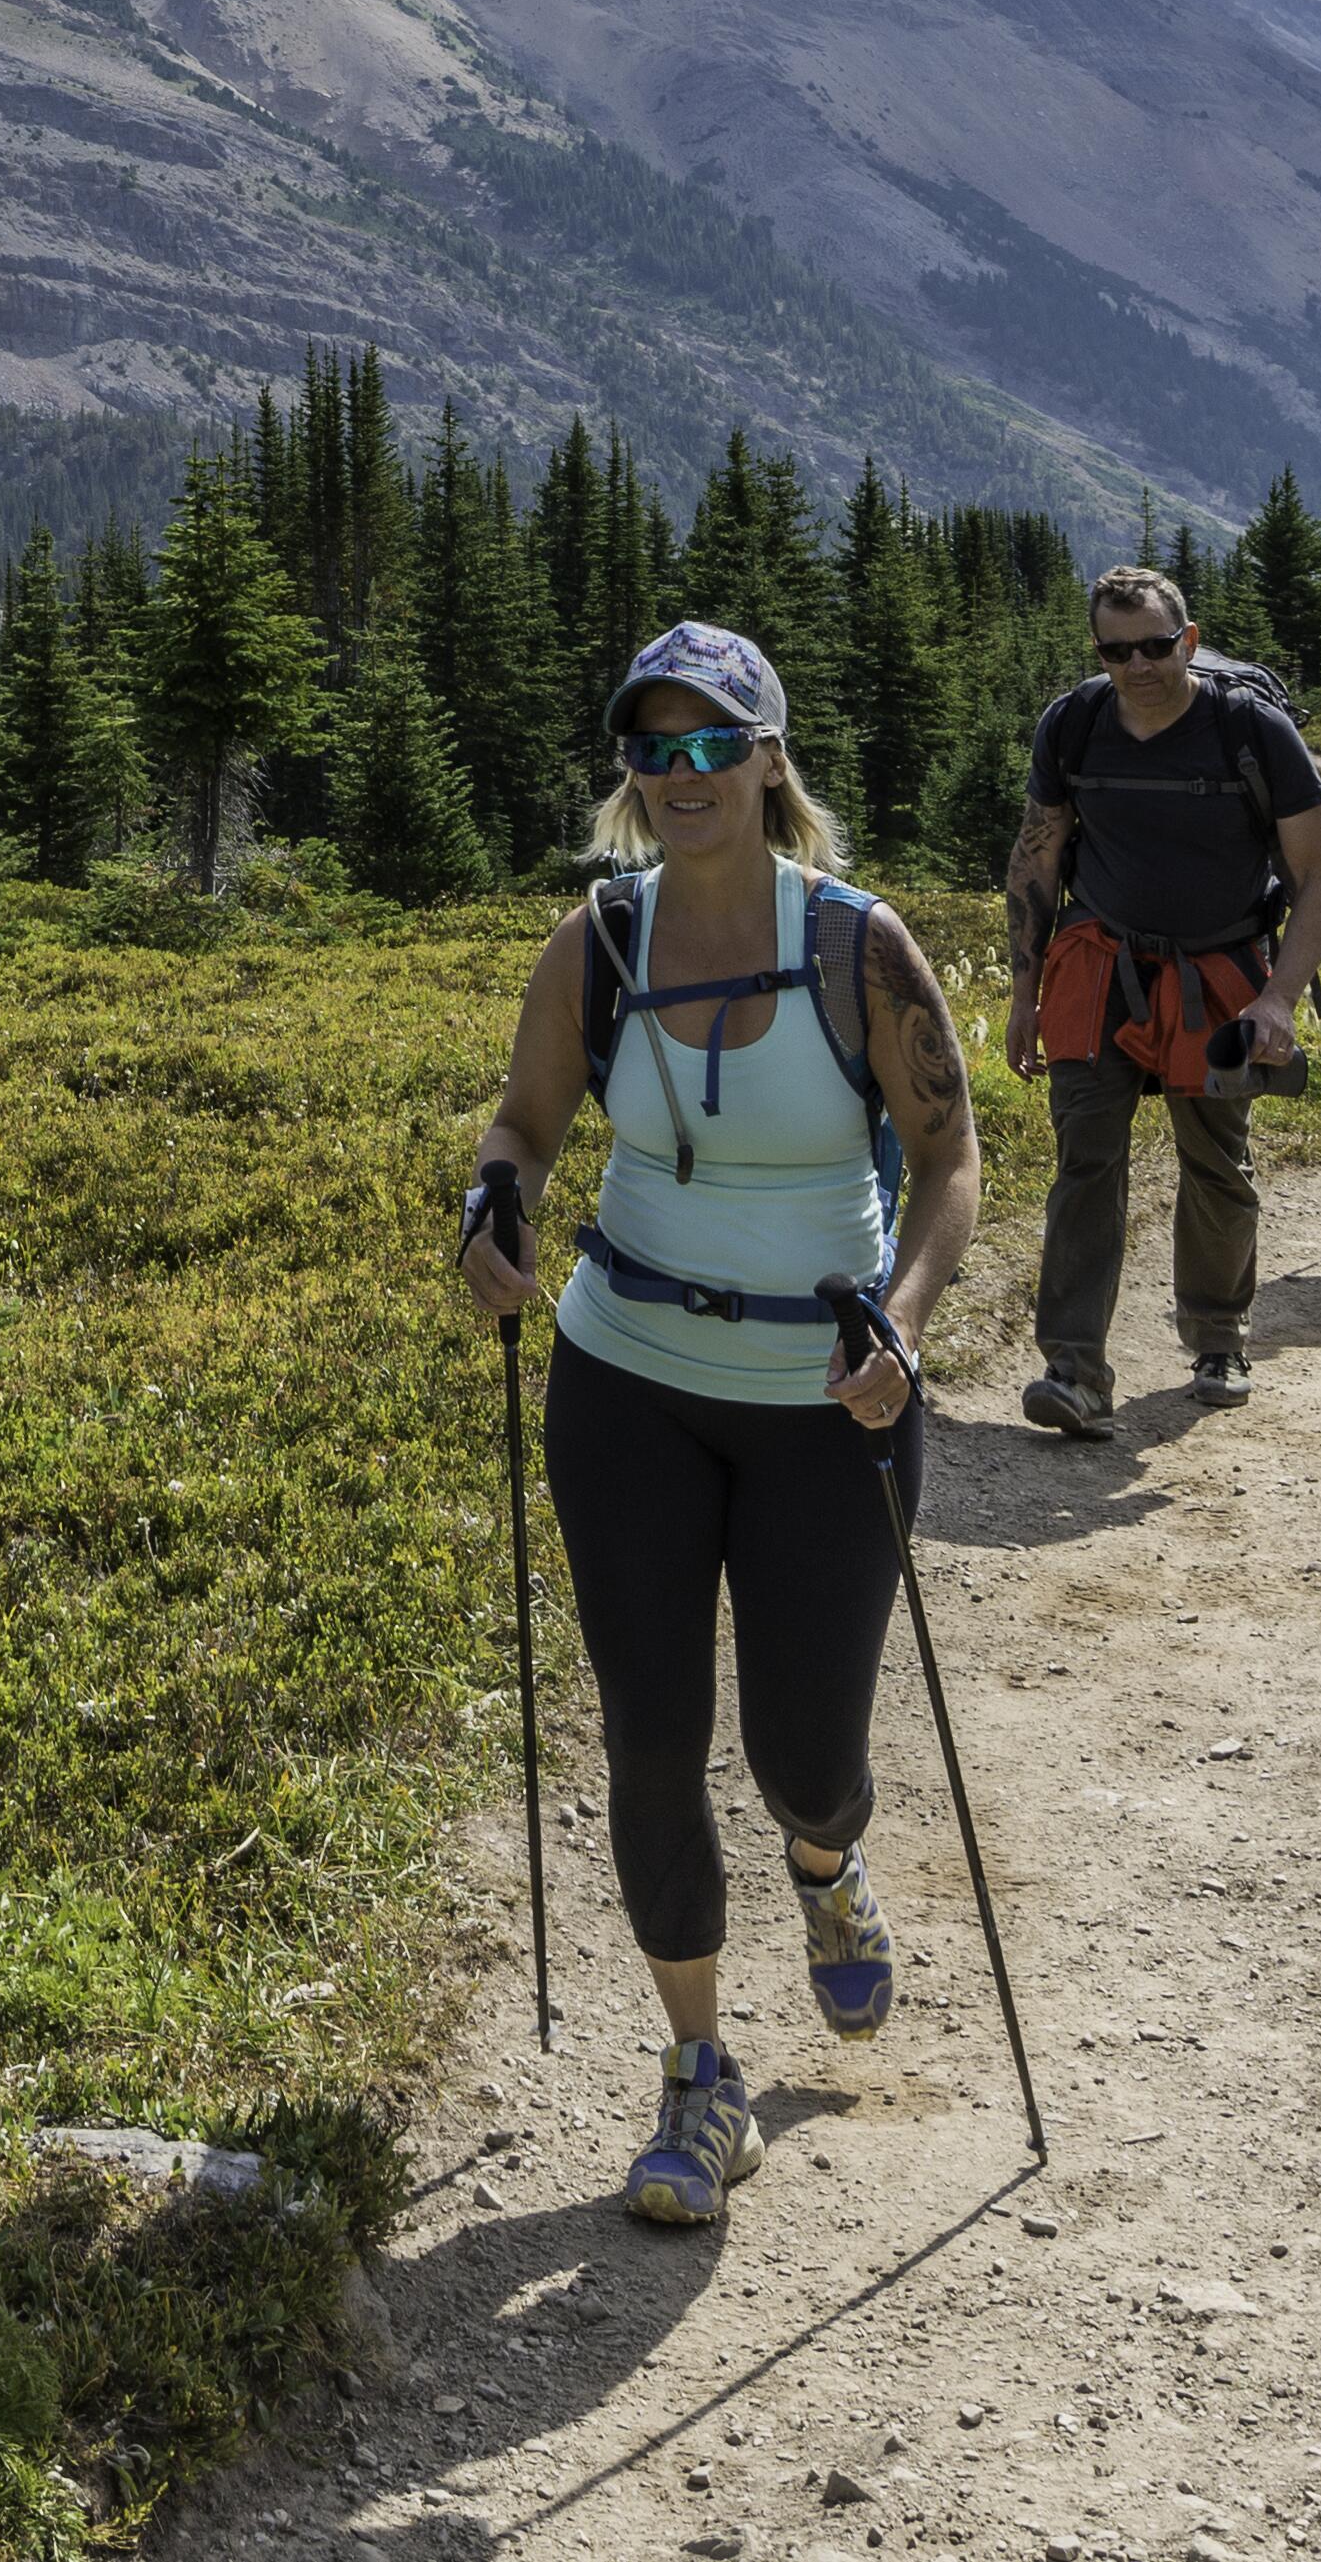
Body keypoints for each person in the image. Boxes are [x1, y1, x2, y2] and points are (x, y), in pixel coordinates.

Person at [460, 618, 986, 2233]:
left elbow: (952, 1162)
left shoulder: (854, 944)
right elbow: (527, 1121)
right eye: (650, 747)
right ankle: (699, 2072)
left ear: (770, 760)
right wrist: (494, 1202)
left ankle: (825, 1867)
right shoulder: (594, 943)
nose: (677, 775)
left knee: (800, 1749)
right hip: (621, 1377)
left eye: (710, 746)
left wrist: (900, 1318)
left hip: (828, 1396)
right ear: (626, 768)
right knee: (646, 1726)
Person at [998, 564, 1321, 1434]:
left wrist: (1277, 999)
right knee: (1085, 1161)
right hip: (1096, 964)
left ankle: (1218, 1333)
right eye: (1117, 650)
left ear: (1186, 640)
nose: (1137, 664)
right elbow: (1036, 860)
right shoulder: (1074, 725)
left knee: (1216, 1162)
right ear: (1098, 651)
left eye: (1155, 645)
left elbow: (1318, 877)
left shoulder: (1249, 729)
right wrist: (1021, 991)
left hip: (1221, 971)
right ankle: (1072, 1369)